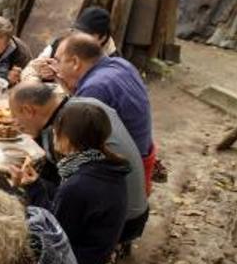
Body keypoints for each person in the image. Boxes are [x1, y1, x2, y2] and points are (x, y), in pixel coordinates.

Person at [8, 80, 149, 241]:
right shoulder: (84, 106)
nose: (15, 123)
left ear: (28, 110)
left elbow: (56, 230)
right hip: (132, 210)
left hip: (122, 224)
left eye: (14, 116)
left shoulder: (67, 137)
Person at [14, 100, 129, 264]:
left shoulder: (80, 185)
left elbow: (54, 233)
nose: (52, 133)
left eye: (56, 129)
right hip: (89, 248)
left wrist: (32, 190)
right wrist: (35, 184)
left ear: (66, 138)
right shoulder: (103, 164)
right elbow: (64, 207)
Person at [54, 33, 155, 191]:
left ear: (74, 62)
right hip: (143, 154)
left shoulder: (96, 87)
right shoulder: (120, 64)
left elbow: (74, 142)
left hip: (126, 172)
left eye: (58, 61)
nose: (56, 67)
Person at [25, 6, 118, 83]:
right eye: (77, 32)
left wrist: (60, 74)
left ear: (102, 38)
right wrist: (37, 79)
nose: (78, 37)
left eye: (85, 34)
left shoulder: (112, 63)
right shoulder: (62, 44)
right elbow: (31, 69)